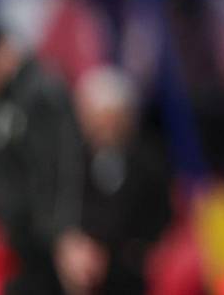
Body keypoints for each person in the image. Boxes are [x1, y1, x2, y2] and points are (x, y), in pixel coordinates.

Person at [0, 18, 94, 295]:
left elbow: (63, 165)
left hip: (49, 242)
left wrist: (65, 233)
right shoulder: (1, 99)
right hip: (24, 242)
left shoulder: (41, 91)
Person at [72, 66, 173, 295]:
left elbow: (159, 218)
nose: (106, 127)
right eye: (98, 119)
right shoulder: (72, 162)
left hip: (132, 269)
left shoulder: (149, 162)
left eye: (113, 118)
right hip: (82, 265)